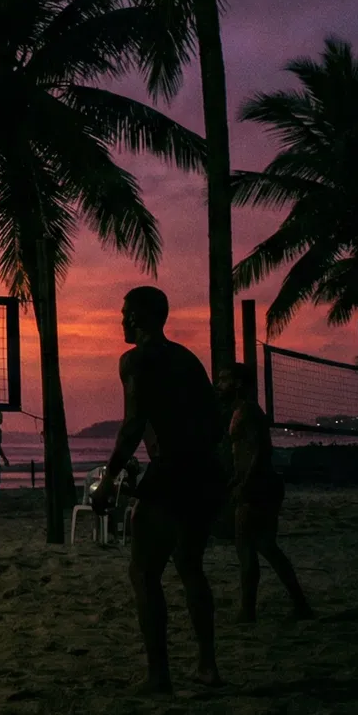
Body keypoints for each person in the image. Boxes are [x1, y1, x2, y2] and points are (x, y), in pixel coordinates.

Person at [101, 286, 224, 694]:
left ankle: (159, 675)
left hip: (171, 472)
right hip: (204, 472)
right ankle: (207, 666)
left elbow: (132, 425)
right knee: (190, 567)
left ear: (138, 316)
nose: (121, 320)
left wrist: (107, 480)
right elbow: (214, 422)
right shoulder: (188, 360)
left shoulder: (136, 361)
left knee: (144, 572)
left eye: (124, 313)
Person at [220, 364, 314, 622]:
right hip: (260, 485)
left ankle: (248, 611)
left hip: (258, 487)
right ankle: (299, 604)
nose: (219, 386)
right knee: (265, 546)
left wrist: (245, 483)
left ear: (238, 383)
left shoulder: (248, 412)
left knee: (248, 548)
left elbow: (260, 451)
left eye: (224, 380)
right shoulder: (241, 411)